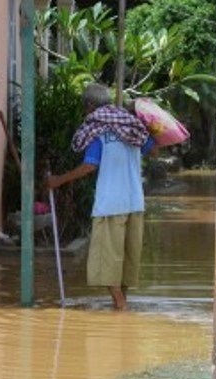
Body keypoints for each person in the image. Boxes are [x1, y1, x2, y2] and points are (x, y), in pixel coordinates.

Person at [46, 83, 157, 311]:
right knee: (126, 261)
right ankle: (120, 306)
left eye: (84, 109)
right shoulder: (132, 126)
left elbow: (89, 166)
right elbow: (153, 150)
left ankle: (120, 308)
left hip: (110, 204)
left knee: (106, 263)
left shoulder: (98, 130)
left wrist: (59, 180)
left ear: (90, 106)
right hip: (135, 203)